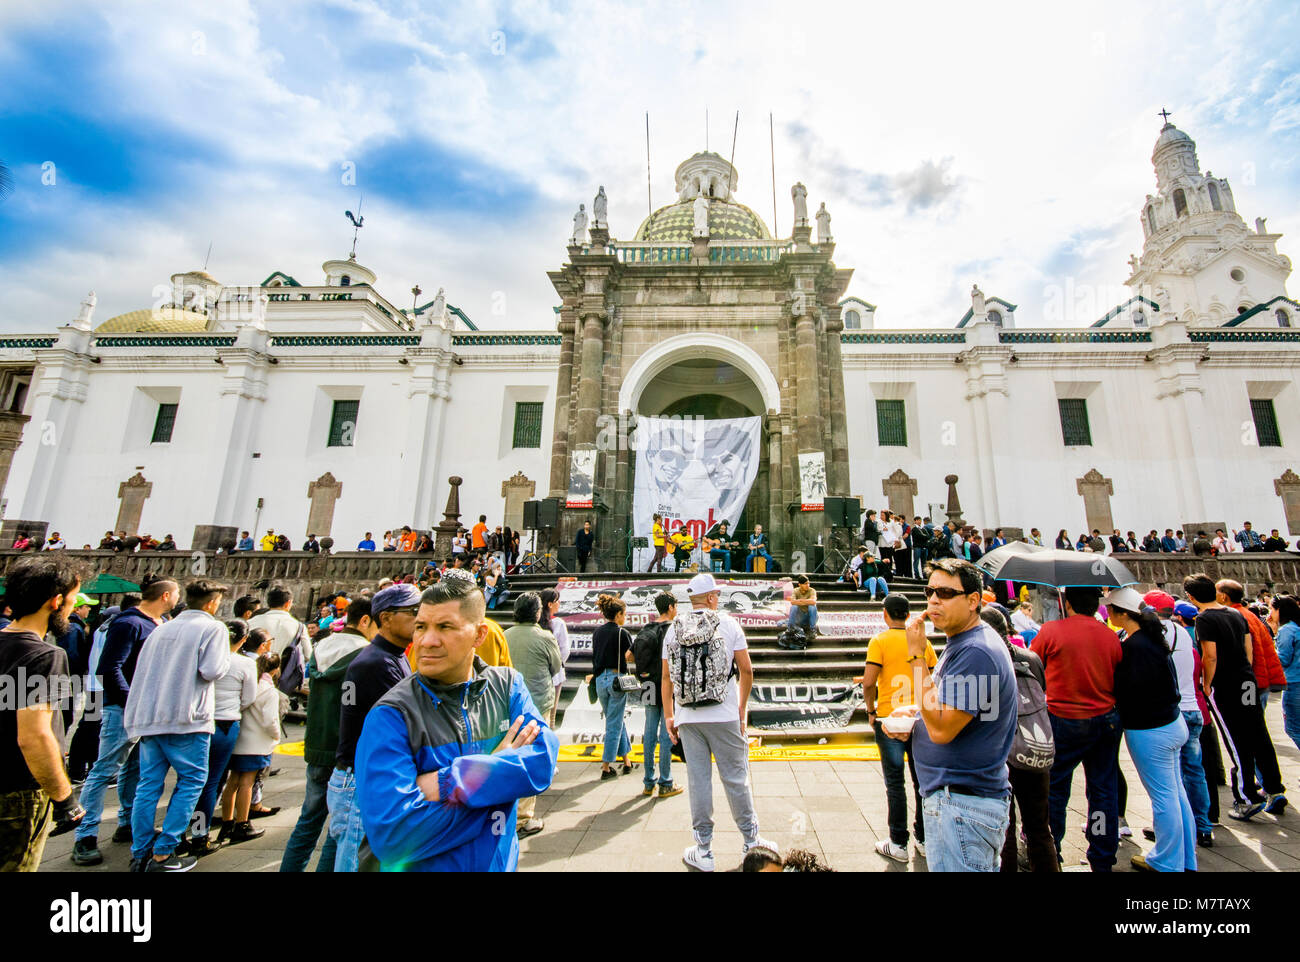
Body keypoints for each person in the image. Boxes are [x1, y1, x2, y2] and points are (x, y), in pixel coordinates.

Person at [354, 576, 558, 871]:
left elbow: (542, 762)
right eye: (421, 627)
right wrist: (499, 783)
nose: (426, 640)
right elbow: (394, 835)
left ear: (479, 635)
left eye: (445, 627)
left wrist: (447, 780)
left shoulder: (507, 687)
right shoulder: (392, 715)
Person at [889, 558, 1015, 872]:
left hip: (961, 804)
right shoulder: (962, 643)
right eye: (929, 591)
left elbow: (944, 729)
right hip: (957, 801)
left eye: (945, 593)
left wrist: (917, 655)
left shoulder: (976, 650)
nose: (933, 599)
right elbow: (956, 710)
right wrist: (918, 715)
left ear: (974, 601)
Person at [664, 572, 773, 871]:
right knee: (736, 777)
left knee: (698, 781)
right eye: (717, 594)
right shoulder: (728, 623)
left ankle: (704, 850)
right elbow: (746, 671)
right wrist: (741, 708)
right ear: (711, 598)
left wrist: (669, 714)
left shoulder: (673, 629)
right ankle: (751, 843)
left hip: (688, 716)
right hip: (724, 713)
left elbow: (666, 678)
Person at [125, 578, 231, 872]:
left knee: (147, 786)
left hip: (151, 716)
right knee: (192, 781)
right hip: (186, 717)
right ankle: (164, 851)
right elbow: (212, 670)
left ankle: (140, 850)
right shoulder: (213, 627)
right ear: (211, 603)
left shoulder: (162, 628)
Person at [72, 578, 180, 866]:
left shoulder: (158, 623)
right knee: (104, 769)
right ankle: (85, 834)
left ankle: (127, 822)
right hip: (124, 709)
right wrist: (131, 701)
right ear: (166, 595)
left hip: (145, 710)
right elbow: (109, 668)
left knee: (134, 768)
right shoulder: (129, 623)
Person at [0, 555, 86, 872]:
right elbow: (33, 735)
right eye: (73, 600)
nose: (73, 608)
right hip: (17, 793)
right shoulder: (45, 656)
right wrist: (65, 799)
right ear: (56, 601)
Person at [1030, 585, 1123, 871]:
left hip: (1063, 717)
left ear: (1067, 603)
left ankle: (1051, 849)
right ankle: (1102, 853)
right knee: (1103, 789)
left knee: (1055, 787)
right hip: (1105, 719)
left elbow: (1032, 665)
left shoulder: (1051, 631)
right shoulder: (1110, 635)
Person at [1104, 588, 1197, 872]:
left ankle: (1167, 862)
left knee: (1163, 796)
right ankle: (1184, 858)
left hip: (1151, 729)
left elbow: (1132, 689)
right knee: (1176, 793)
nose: (1107, 613)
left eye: (1111, 609)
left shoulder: (1135, 647)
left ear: (1122, 614)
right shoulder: (1151, 638)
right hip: (1171, 722)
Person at [329, 582, 419, 871]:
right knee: (356, 861)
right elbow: (407, 722)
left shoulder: (391, 657)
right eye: (413, 611)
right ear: (386, 618)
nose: (420, 618)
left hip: (362, 773)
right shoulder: (375, 664)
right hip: (360, 780)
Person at [280, 596, 375, 872]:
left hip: (317, 743)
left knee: (307, 822)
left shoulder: (321, 646)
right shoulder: (366, 655)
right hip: (345, 751)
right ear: (366, 621)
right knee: (339, 828)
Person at [1183, 573, 1283, 820]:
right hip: (1246, 680)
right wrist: (1245, 671)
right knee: (1257, 730)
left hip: (1225, 685)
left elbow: (1210, 655)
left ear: (1191, 596)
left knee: (1235, 737)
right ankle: (1272, 786)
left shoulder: (1205, 618)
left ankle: (1246, 794)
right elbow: (1247, 648)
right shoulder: (1236, 614)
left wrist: (1207, 684)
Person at [975, 607, 1057, 873]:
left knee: (1004, 830)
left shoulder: (982, 660)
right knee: (1039, 829)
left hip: (1000, 753)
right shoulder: (1031, 658)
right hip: (1034, 749)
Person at [1139, 591, 1214, 848]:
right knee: (1195, 771)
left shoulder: (1153, 634)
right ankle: (1203, 826)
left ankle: (1171, 831)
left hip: (1170, 712)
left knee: (1168, 780)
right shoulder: (1182, 631)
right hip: (1192, 710)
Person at [864, 592, 935, 862]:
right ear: (907, 614)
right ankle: (924, 837)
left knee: (895, 783)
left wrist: (870, 710)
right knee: (923, 781)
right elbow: (933, 676)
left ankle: (898, 843)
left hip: (889, 719)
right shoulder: (921, 642)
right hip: (920, 718)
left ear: (885, 614)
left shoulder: (879, 641)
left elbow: (869, 681)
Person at [186, 618, 257, 857]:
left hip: (195, 721)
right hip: (225, 723)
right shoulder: (244, 664)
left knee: (188, 781)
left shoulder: (201, 657)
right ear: (244, 639)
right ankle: (199, 835)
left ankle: (178, 832)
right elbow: (248, 699)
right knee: (211, 782)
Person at [503, 592, 562, 838]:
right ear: (537, 613)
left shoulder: (505, 635)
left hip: (510, 702)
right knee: (533, 754)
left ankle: (507, 808)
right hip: (538, 700)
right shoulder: (545, 636)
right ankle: (524, 817)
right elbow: (556, 666)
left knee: (511, 751)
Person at [220, 651, 285, 845]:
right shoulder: (269, 691)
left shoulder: (248, 685)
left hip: (238, 739)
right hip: (256, 742)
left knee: (232, 782)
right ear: (275, 669)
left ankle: (227, 822)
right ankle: (243, 823)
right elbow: (270, 720)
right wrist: (276, 735)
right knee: (247, 783)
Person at [633, 591, 682, 799]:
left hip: (647, 684)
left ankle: (648, 781)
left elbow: (630, 654)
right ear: (670, 607)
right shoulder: (674, 629)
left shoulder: (647, 628)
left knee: (649, 730)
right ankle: (666, 782)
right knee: (666, 732)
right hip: (667, 684)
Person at [1218, 579, 1288, 719]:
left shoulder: (1236, 616)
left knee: (1248, 725)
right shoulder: (1246, 614)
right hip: (1256, 681)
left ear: (1224, 596)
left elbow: (1246, 654)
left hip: (1249, 684)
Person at [591, 593, 635, 779]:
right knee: (614, 723)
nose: (625, 618)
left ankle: (626, 761)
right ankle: (606, 766)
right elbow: (631, 656)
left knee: (614, 719)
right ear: (617, 615)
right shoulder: (622, 633)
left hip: (600, 679)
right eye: (624, 614)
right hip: (617, 680)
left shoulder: (597, 633)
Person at [248, 585, 312, 679]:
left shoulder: (252, 621)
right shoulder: (298, 626)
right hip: (278, 676)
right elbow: (308, 655)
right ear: (288, 603)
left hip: (250, 670)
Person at [1272, 595, 1300, 753]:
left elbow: (1283, 659)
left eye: (1272, 608)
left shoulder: (1286, 630)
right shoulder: (1296, 628)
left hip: (1294, 683)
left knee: (1293, 727)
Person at [538, 588, 569, 713]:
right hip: (554, 671)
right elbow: (564, 649)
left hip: (538, 671)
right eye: (557, 601)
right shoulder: (558, 623)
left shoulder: (535, 622)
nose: (559, 603)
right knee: (551, 712)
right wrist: (558, 664)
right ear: (550, 604)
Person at [787, 574, 818, 638]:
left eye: (808, 583)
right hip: (800, 617)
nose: (807, 585)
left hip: (809, 617)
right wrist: (807, 601)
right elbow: (792, 602)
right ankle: (791, 628)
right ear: (799, 584)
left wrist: (800, 601)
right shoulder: (796, 590)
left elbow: (813, 601)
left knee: (812, 607)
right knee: (794, 607)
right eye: (805, 584)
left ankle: (813, 630)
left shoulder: (812, 590)